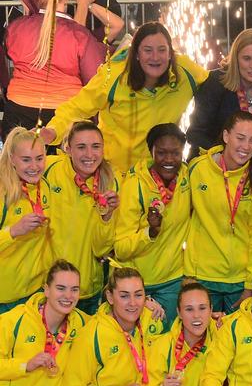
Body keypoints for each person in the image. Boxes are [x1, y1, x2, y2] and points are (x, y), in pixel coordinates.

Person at [41, 21, 209, 173]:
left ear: (171, 53)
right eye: (148, 50)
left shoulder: (184, 71)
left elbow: (215, 82)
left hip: (158, 175)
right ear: (136, 53)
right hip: (116, 174)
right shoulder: (113, 75)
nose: (155, 57)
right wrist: (53, 130)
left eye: (162, 50)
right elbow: (77, 107)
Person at [60, 267, 168, 386]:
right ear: (110, 297)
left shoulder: (152, 320)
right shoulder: (91, 335)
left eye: (138, 295)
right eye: (124, 296)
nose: (133, 303)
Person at [1, 0, 106, 139]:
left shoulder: (18, 26)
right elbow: (94, 76)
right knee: (61, 166)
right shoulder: (79, 34)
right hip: (64, 115)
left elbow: (9, 51)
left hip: (18, 109)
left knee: (17, 165)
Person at [185, 111, 252, 314]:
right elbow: (184, 221)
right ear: (226, 136)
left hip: (240, 281)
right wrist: (189, 274)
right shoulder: (198, 169)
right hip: (202, 274)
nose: (246, 147)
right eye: (240, 138)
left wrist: (251, 284)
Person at [0, 260, 86, 386]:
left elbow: (109, 320)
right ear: (46, 289)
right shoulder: (14, 321)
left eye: (74, 289)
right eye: (61, 288)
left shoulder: (80, 323)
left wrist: (145, 305)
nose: (68, 296)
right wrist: (25, 365)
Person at [115, 123, 190, 328]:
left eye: (175, 153)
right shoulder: (134, 185)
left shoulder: (187, 177)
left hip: (173, 282)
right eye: (162, 153)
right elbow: (120, 249)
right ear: (151, 152)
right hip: (137, 286)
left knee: (167, 347)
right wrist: (151, 232)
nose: (168, 160)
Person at [44, 121, 119, 314]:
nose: (89, 155)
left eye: (95, 147)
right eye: (81, 147)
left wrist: (107, 216)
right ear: (67, 148)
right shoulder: (47, 169)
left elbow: (102, 249)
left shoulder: (111, 182)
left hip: (85, 290)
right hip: (47, 285)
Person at [187, 29, 252, 156]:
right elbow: (195, 133)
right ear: (235, 59)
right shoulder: (214, 83)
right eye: (246, 59)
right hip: (219, 161)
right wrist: (225, 156)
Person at [140, 281, 218, 386]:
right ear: (179, 313)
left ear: (211, 310)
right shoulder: (162, 346)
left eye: (202, 308)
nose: (197, 315)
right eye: (189, 309)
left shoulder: (220, 343)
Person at [0, 127, 52, 313]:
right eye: (26, 160)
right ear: (12, 159)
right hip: (5, 299)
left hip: (35, 292)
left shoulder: (44, 186)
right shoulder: (3, 192)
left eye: (39, 158)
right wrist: (13, 231)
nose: (34, 166)